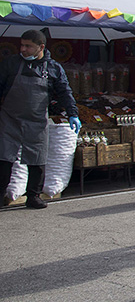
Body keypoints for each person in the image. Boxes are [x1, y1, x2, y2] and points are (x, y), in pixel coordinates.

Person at [1, 30, 81, 209]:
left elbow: (64, 91)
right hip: (9, 119)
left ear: (41, 47)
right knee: (4, 158)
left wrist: (73, 113)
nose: (23, 49)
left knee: (37, 159)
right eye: (22, 45)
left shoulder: (53, 68)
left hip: (36, 121)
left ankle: (33, 196)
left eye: (28, 46)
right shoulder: (11, 64)